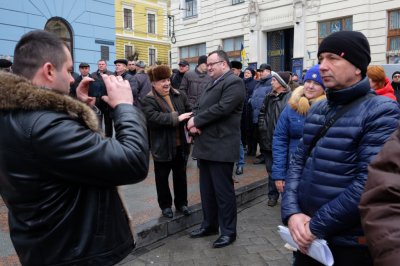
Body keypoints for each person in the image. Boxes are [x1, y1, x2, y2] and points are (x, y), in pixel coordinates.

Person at [0, 30, 149, 266]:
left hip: (48, 244)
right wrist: (125, 107)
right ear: (49, 70)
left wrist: (78, 106)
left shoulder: (14, 112)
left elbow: (62, 159)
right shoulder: (44, 125)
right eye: (69, 71)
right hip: (73, 251)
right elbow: (132, 161)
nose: (72, 79)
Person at [281, 30, 400, 266]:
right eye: (320, 58)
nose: (323, 66)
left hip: (347, 245)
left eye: (333, 58)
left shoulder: (381, 111)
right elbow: (297, 162)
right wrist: (292, 213)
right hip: (306, 239)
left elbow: (369, 183)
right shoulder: (318, 109)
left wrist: (315, 226)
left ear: (358, 66)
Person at [187, 50, 245, 248]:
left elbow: (223, 108)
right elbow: (201, 106)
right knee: (207, 192)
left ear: (224, 64)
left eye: (213, 63)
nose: (208, 67)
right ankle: (209, 225)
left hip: (221, 146)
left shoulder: (234, 82)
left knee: (223, 193)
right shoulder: (212, 82)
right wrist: (193, 120)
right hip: (206, 146)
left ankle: (228, 232)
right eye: (207, 64)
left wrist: (197, 120)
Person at [141, 65, 192, 219]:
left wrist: (191, 123)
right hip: (161, 147)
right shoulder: (148, 100)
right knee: (162, 179)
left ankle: (182, 203)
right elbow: (153, 119)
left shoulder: (179, 95)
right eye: (162, 80)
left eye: (168, 79)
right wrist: (176, 118)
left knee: (180, 177)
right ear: (154, 83)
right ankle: (165, 206)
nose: (167, 83)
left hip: (180, 146)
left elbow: (189, 110)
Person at [272, 65, 326, 194]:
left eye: (316, 83)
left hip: (319, 174)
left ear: (324, 88)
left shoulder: (329, 109)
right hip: (292, 170)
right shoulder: (292, 106)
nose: (310, 86)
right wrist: (279, 174)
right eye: (308, 81)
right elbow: (280, 139)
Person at [359, 128, 400, 266]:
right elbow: (299, 158)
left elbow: (363, 181)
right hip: (313, 230)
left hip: (344, 234)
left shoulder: (382, 112)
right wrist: (294, 212)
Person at [258, 71, 292, 207]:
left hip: (283, 142)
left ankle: (287, 198)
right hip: (267, 139)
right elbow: (262, 112)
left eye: (274, 80)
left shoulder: (291, 97)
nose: (271, 82)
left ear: (281, 83)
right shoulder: (268, 97)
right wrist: (263, 127)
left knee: (285, 170)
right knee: (271, 170)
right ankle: (272, 195)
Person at [248, 63, 273, 164]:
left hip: (265, 114)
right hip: (256, 113)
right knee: (259, 136)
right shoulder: (258, 83)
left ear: (268, 71)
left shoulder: (271, 82)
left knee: (264, 136)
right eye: (260, 71)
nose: (261, 73)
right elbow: (254, 95)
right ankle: (263, 153)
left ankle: (266, 155)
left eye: (262, 71)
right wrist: (251, 100)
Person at [91, 59, 114, 137]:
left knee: (108, 123)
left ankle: (109, 139)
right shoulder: (93, 75)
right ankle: (99, 138)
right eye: (99, 64)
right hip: (97, 103)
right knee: (98, 122)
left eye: (102, 64)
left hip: (107, 103)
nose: (101, 65)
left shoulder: (111, 74)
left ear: (106, 65)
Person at [243, 68, 258, 157]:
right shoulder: (241, 82)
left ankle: (253, 149)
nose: (246, 74)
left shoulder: (255, 83)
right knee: (245, 129)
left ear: (252, 74)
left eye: (248, 73)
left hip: (251, 109)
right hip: (243, 109)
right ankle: (248, 148)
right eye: (245, 72)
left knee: (252, 130)